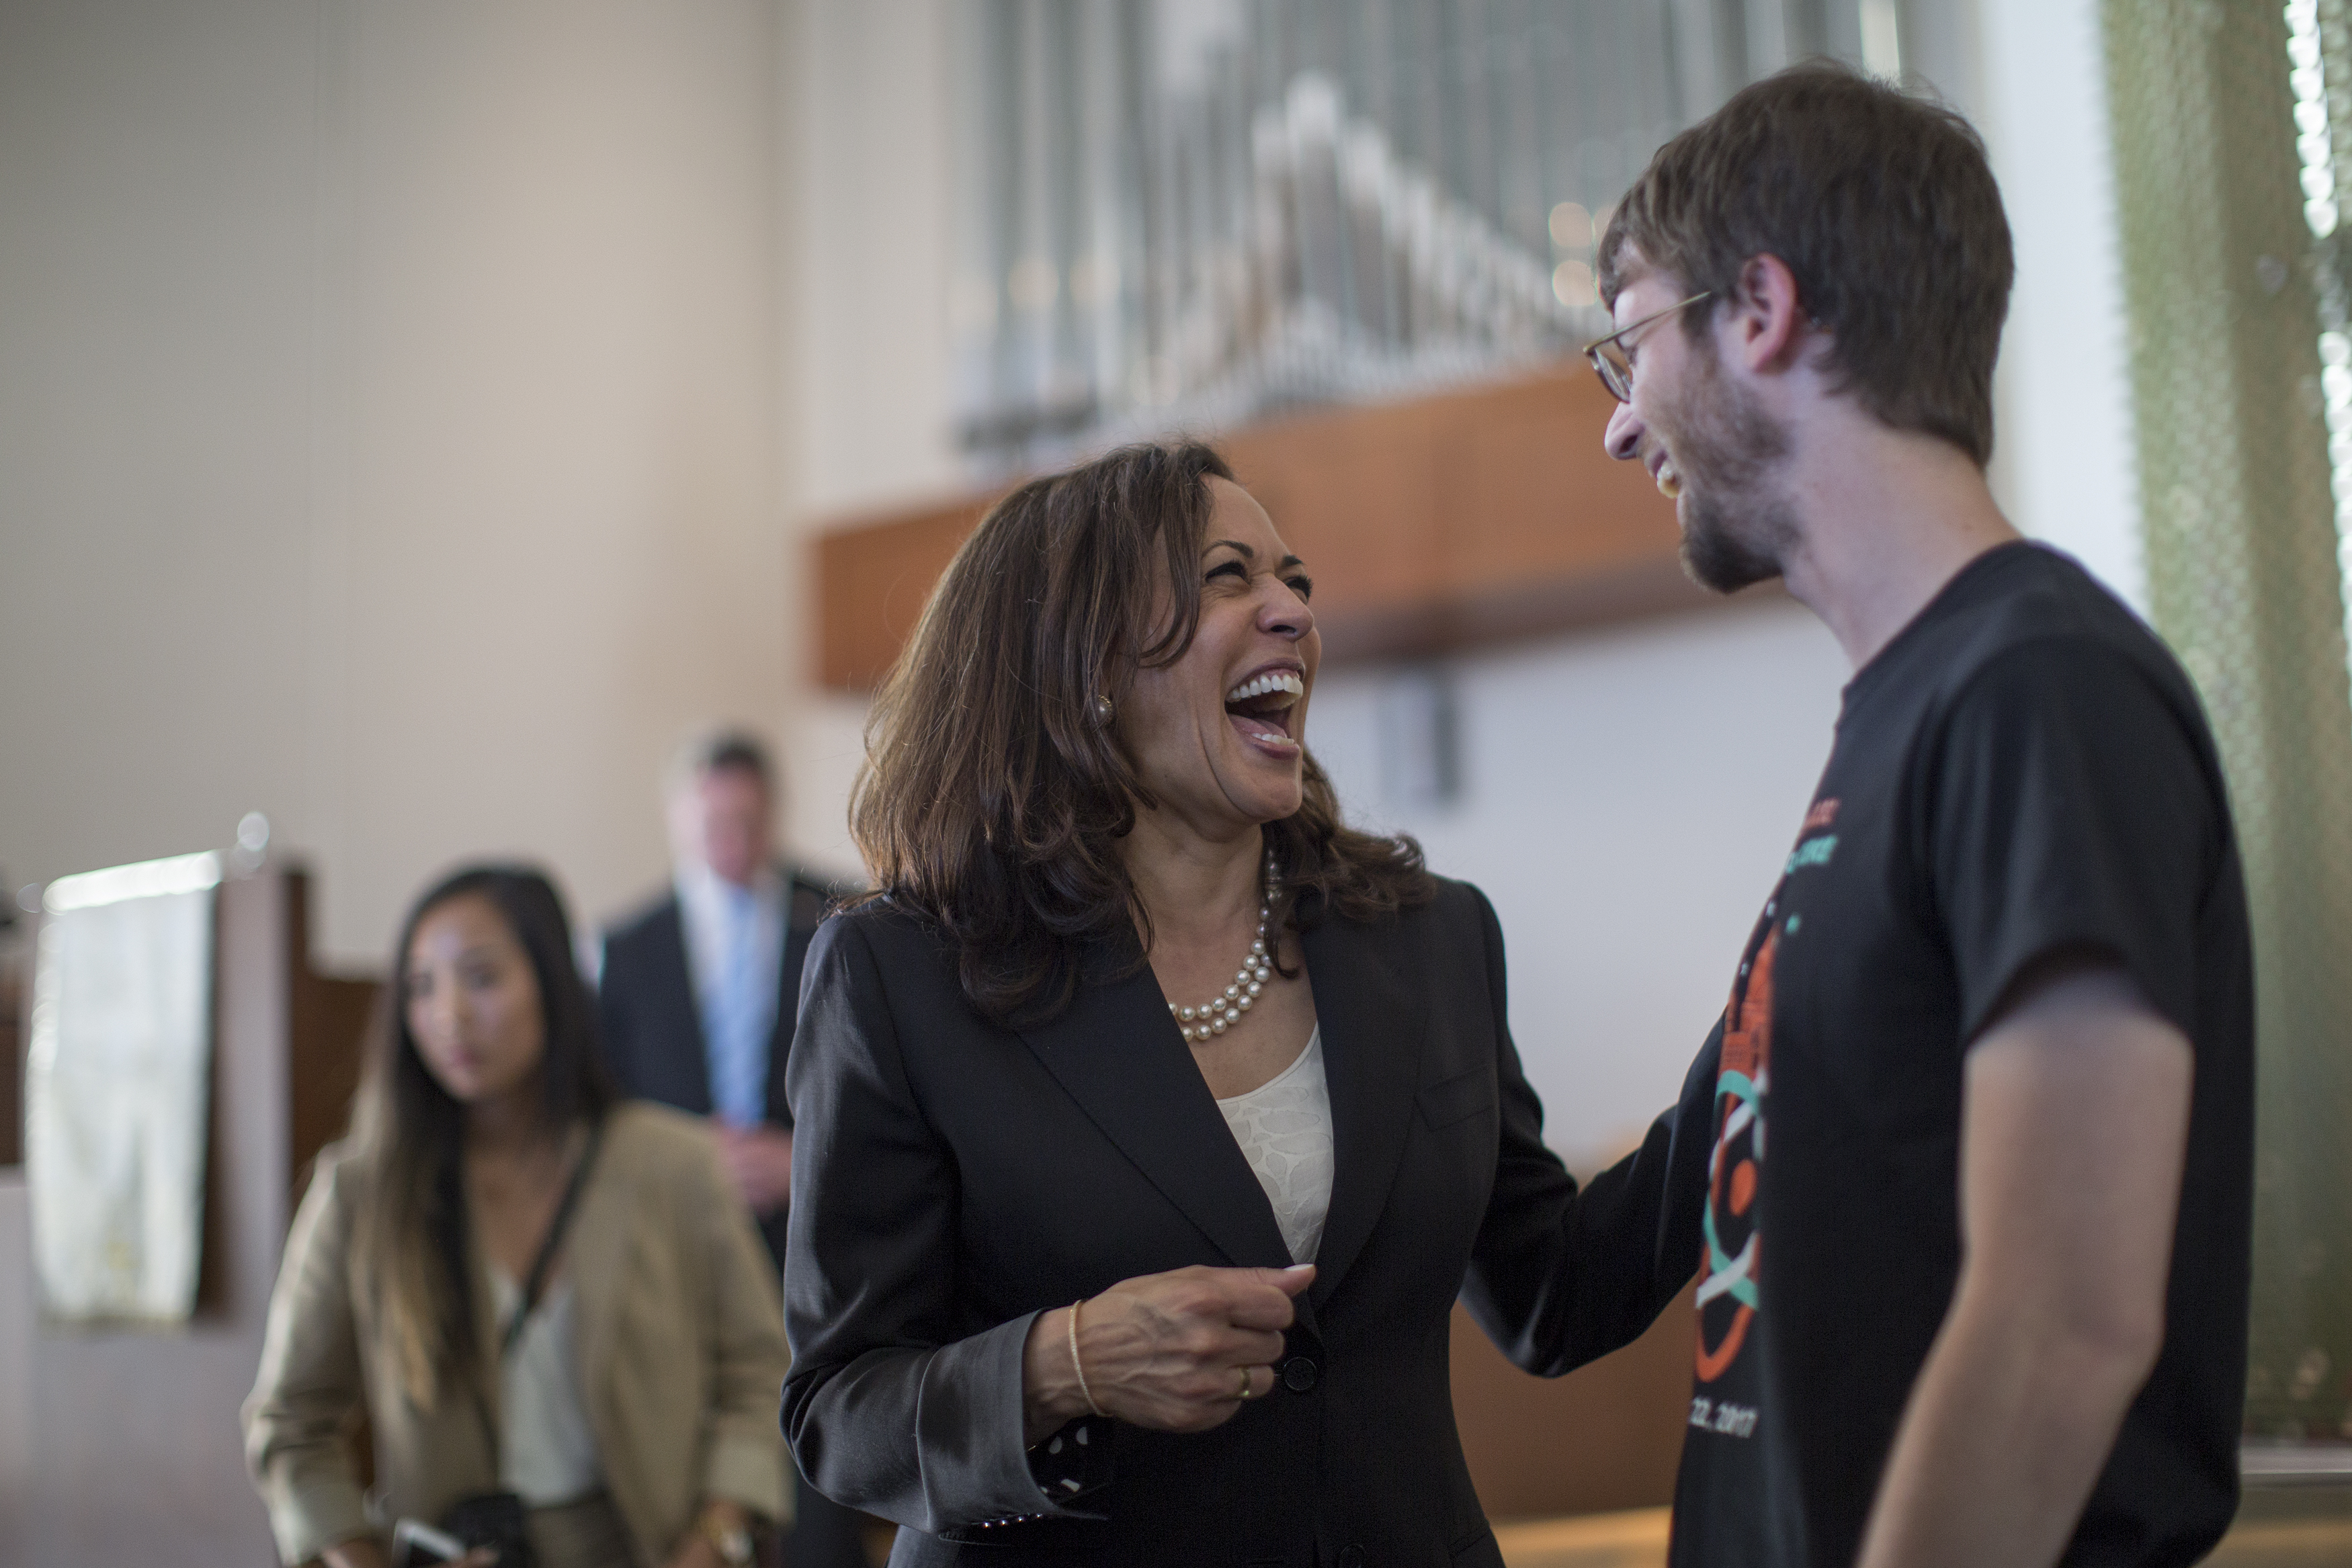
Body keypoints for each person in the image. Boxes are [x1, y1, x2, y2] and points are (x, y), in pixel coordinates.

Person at [782, 441, 1720, 1567]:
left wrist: (1760, 1051)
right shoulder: (900, 975)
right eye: (1229, 575)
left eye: (1297, 581)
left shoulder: (1430, 935)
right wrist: (1065, 1360)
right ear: (1081, 663)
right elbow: (841, 1410)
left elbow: (1551, 1291)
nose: (1290, 610)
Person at [1587, 62, 2254, 1568]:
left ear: (1757, 308)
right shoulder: (1917, 707)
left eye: (1626, 346)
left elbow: (2064, 1318)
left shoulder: (2039, 689)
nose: (1619, 430)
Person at [245, 865, 792, 1568]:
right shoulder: (363, 1191)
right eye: (421, 986)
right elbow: (292, 1422)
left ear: (552, 983)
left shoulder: (671, 1164)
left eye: (480, 978)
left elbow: (759, 1371)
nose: (450, 1015)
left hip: (650, 1548)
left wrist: (715, 1536)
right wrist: (359, 1558)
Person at [597, 732, 869, 1568]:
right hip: (680, 1239)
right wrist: (684, 1162)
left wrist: (805, 1160)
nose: (730, 838)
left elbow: (880, 1085)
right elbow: (607, 1105)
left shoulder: (840, 914)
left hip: (811, 1234)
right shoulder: (626, 945)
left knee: (815, 1469)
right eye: (713, 820)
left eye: (747, 819)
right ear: (679, 817)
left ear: (771, 813)